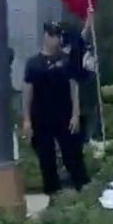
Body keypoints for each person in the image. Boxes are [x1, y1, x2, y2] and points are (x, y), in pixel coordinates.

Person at [23, 22, 90, 195]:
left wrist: (75, 114)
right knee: (46, 159)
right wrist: (27, 119)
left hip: (64, 116)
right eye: (53, 36)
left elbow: (73, 88)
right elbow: (28, 93)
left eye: (58, 36)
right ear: (45, 36)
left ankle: (84, 189)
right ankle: (53, 195)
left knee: (73, 155)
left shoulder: (66, 61)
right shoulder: (33, 63)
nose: (56, 40)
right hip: (41, 118)